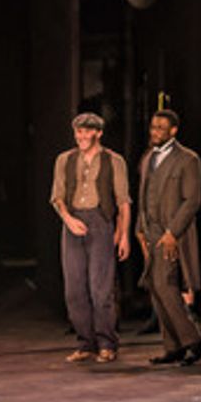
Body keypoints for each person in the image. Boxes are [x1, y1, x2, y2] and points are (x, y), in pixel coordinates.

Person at [48, 112, 132, 363]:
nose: (81, 136)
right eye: (78, 132)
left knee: (100, 288)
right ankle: (85, 343)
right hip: (73, 223)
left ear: (98, 133)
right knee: (74, 289)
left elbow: (123, 202)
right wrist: (69, 220)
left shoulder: (113, 160)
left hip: (100, 223)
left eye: (86, 132)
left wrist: (123, 234)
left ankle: (107, 342)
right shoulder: (65, 159)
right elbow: (57, 197)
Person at [134, 109, 201, 365]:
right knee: (155, 287)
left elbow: (192, 200)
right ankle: (173, 345)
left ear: (173, 131)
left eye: (160, 128)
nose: (155, 132)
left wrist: (172, 232)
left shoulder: (188, 159)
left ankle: (193, 340)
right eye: (153, 127)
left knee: (167, 285)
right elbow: (143, 197)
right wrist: (139, 229)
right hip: (151, 230)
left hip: (172, 233)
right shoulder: (147, 158)